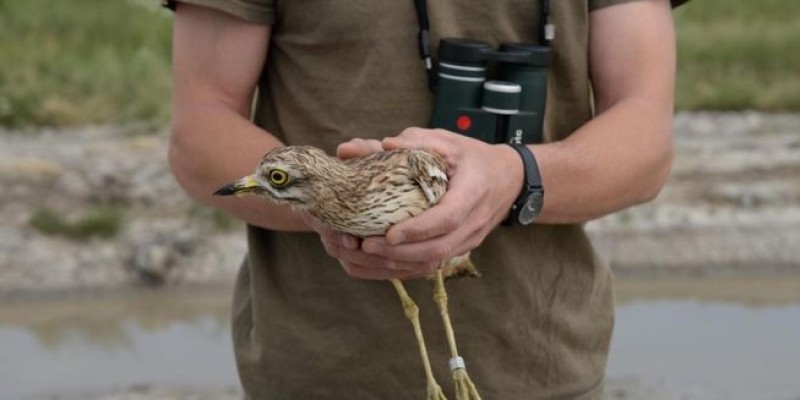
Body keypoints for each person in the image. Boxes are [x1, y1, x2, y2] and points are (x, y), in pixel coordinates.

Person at [164, 0, 686, 398]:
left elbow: (646, 145)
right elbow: (199, 133)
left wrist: (515, 176)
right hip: (316, 370)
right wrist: (334, 209)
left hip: (543, 368)